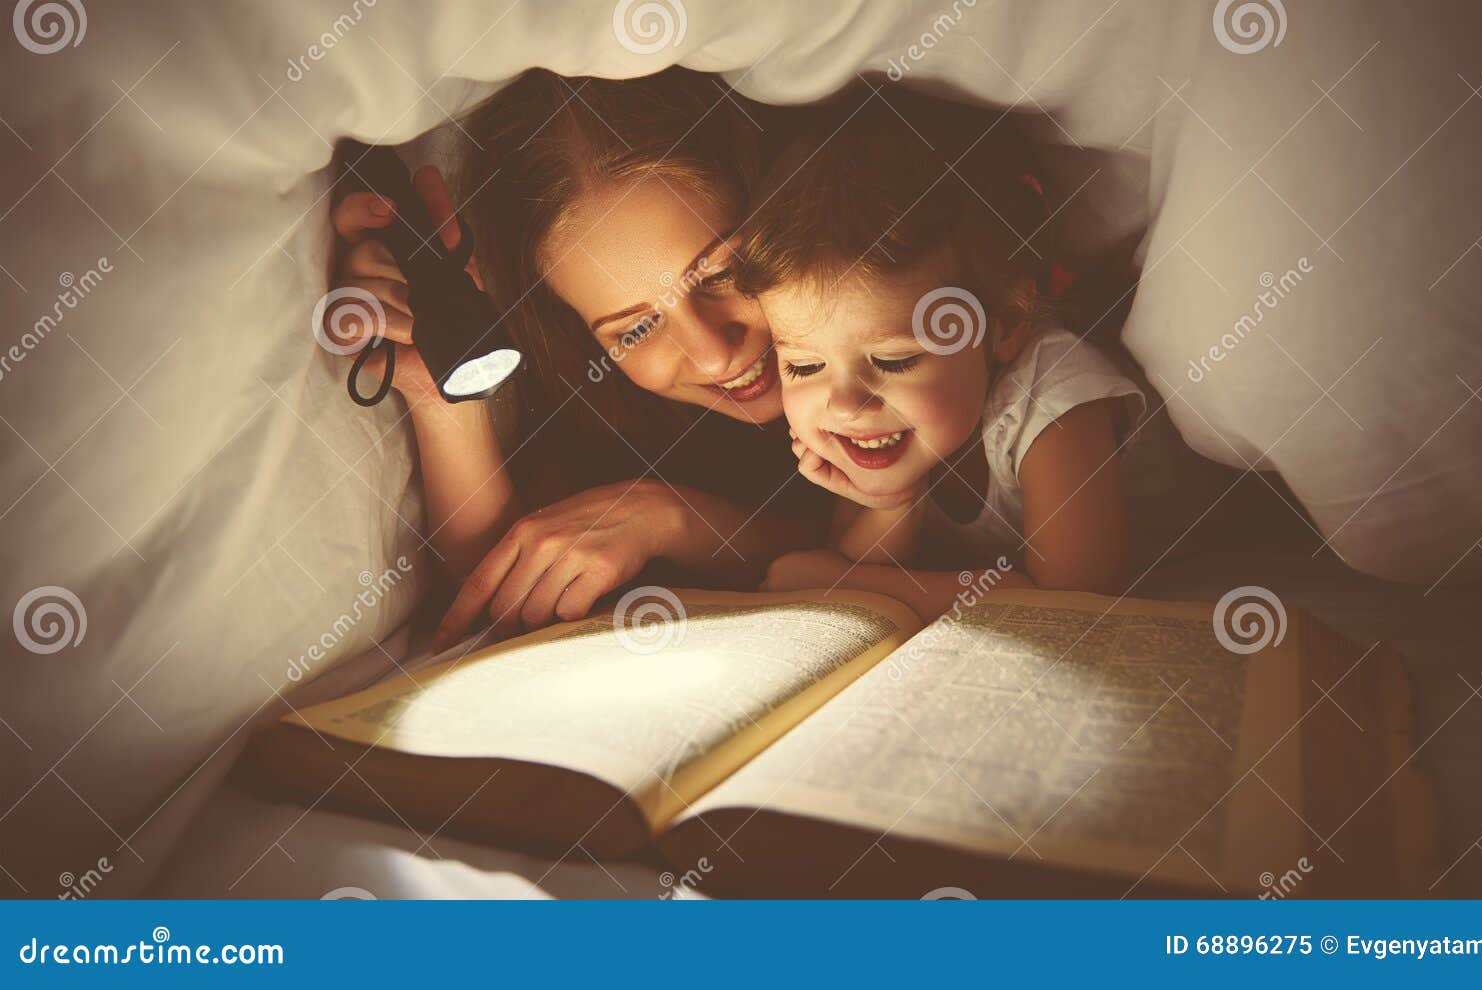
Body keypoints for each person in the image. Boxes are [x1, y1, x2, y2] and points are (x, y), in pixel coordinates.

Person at [324, 68, 824, 648]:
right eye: (635, 331)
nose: (713, 357)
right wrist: (440, 384)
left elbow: (888, 556)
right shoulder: (610, 425)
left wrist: (672, 520)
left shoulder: (914, 311)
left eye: (723, 274)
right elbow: (502, 586)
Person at [746, 88, 1144, 621]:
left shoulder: (1053, 401)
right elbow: (862, 561)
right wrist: (892, 498)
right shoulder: (881, 431)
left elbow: (1079, 603)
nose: (845, 405)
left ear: (1005, 325)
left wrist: (847, 585)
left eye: (893, 362)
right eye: (803, 366)